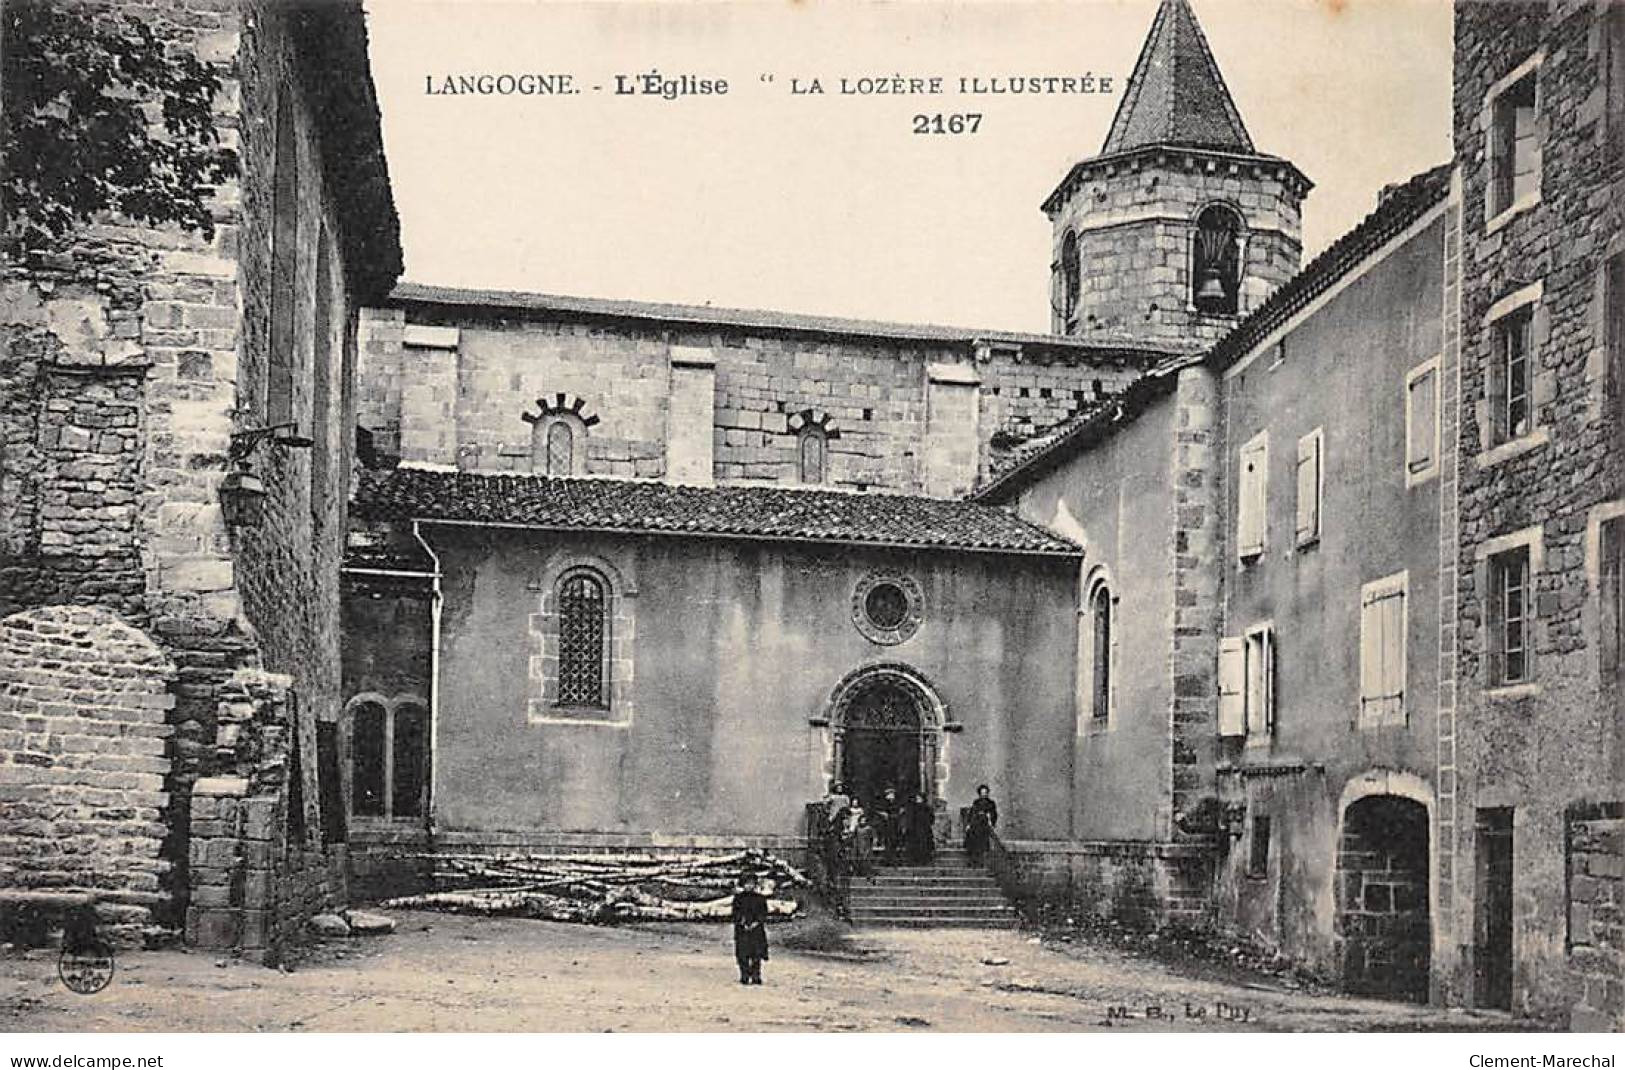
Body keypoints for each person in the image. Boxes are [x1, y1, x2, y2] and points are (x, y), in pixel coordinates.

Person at [730, 874, 770, 985]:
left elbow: (764, 913)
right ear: (743, 885)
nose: (749, 886)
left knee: (756, 954)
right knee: (743, 954)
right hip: (742, 930)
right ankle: (745, 975)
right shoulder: (738, 898)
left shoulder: (760, 898)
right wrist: (742, 923)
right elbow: (735, 913)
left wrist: (756, 923)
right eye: (747, 883)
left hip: (756, 930)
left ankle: (756, 975)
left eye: (752, 884)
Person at [963, 783, 999, 866]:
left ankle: (980, 861)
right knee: (972, 837)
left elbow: (994, 814)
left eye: (985, 792)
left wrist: (991, 821)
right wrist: (968, 824)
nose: (983, 794)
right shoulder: (976, 802)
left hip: (984, 825)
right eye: (982, 792)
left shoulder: (991, 803)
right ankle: (972, 859)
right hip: (976, 824)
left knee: (982, 842)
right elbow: (972, 813)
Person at [872, 786, 904, 864]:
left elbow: (900, 811)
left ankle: (895, 859)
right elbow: (878, 811)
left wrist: (898, 814)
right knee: (887, 842)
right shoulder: (883, 804)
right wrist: (883, 814)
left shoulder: (897, 803)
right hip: (886, 825)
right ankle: (888, 859)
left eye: (892, 794)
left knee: (895, 841)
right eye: (889, 794)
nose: (891, 796)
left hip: (895, 825)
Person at [905, 791, 935, 864]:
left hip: (924, 828)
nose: (918, 800)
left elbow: (931, 818)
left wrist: (927, 824)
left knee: (924, 844)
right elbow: (910, 818)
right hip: (915, 829)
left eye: (919, 798)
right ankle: (916, 859)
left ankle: (924, 859)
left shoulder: (927, 808)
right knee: (915, 844)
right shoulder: (913, 807)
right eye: (917, 798)